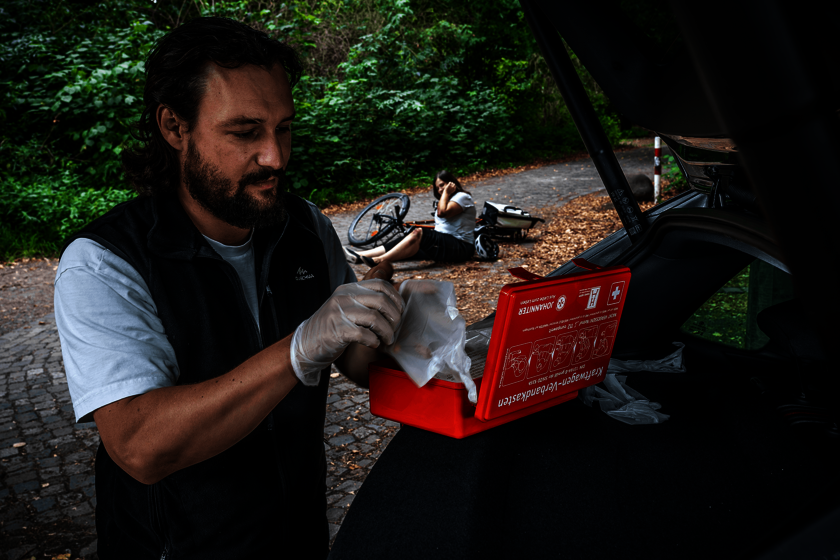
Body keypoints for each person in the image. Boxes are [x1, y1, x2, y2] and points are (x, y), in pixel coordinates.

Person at [53, 17, 403, 560]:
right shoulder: (104, 262)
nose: (275, 157)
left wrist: (390, 323)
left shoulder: (305, 228)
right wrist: (298, 348)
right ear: (175, 127)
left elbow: (357, 364)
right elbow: (139, 446)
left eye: (284, 128)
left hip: (299, 540)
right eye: (245, 133)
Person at [346, 170, 476, 265]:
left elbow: (442, 212)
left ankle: (379, 260)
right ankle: (359, 255)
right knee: (405, 240)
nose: (440, 190)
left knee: (419, 232)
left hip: (461, 247)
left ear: (451, 183)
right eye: (438, 188)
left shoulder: (462, 197)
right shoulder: (445, 199)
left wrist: (446, 193)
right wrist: (445, 194)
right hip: (446, 245)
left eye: (442, 185)